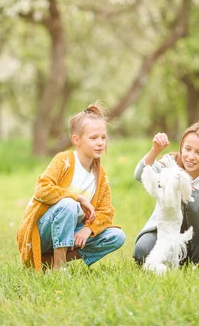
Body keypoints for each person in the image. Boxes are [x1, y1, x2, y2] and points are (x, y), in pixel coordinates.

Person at [17, 103, 125, 271]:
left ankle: (51, 262)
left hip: (72, 231)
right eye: (93, 138)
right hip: (44, 230)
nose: (100, 143)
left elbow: (106, 211)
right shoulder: (64, 160)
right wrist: (78, 198)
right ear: (76, 140)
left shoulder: (100, 175)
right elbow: (41, 189)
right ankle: (60, 268)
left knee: (116, 236)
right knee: (69, 204)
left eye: (103, 138)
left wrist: (88, 230)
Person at [133, 121, 199, 268]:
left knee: (195, 198)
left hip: (197, 238)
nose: (191, 156)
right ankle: (176, 258)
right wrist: (155, 150)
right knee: (141, 252)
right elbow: (140, 175)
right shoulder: (171, 164)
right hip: (167, 231)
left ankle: (198, 262)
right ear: (181, 147)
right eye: (188, 149)